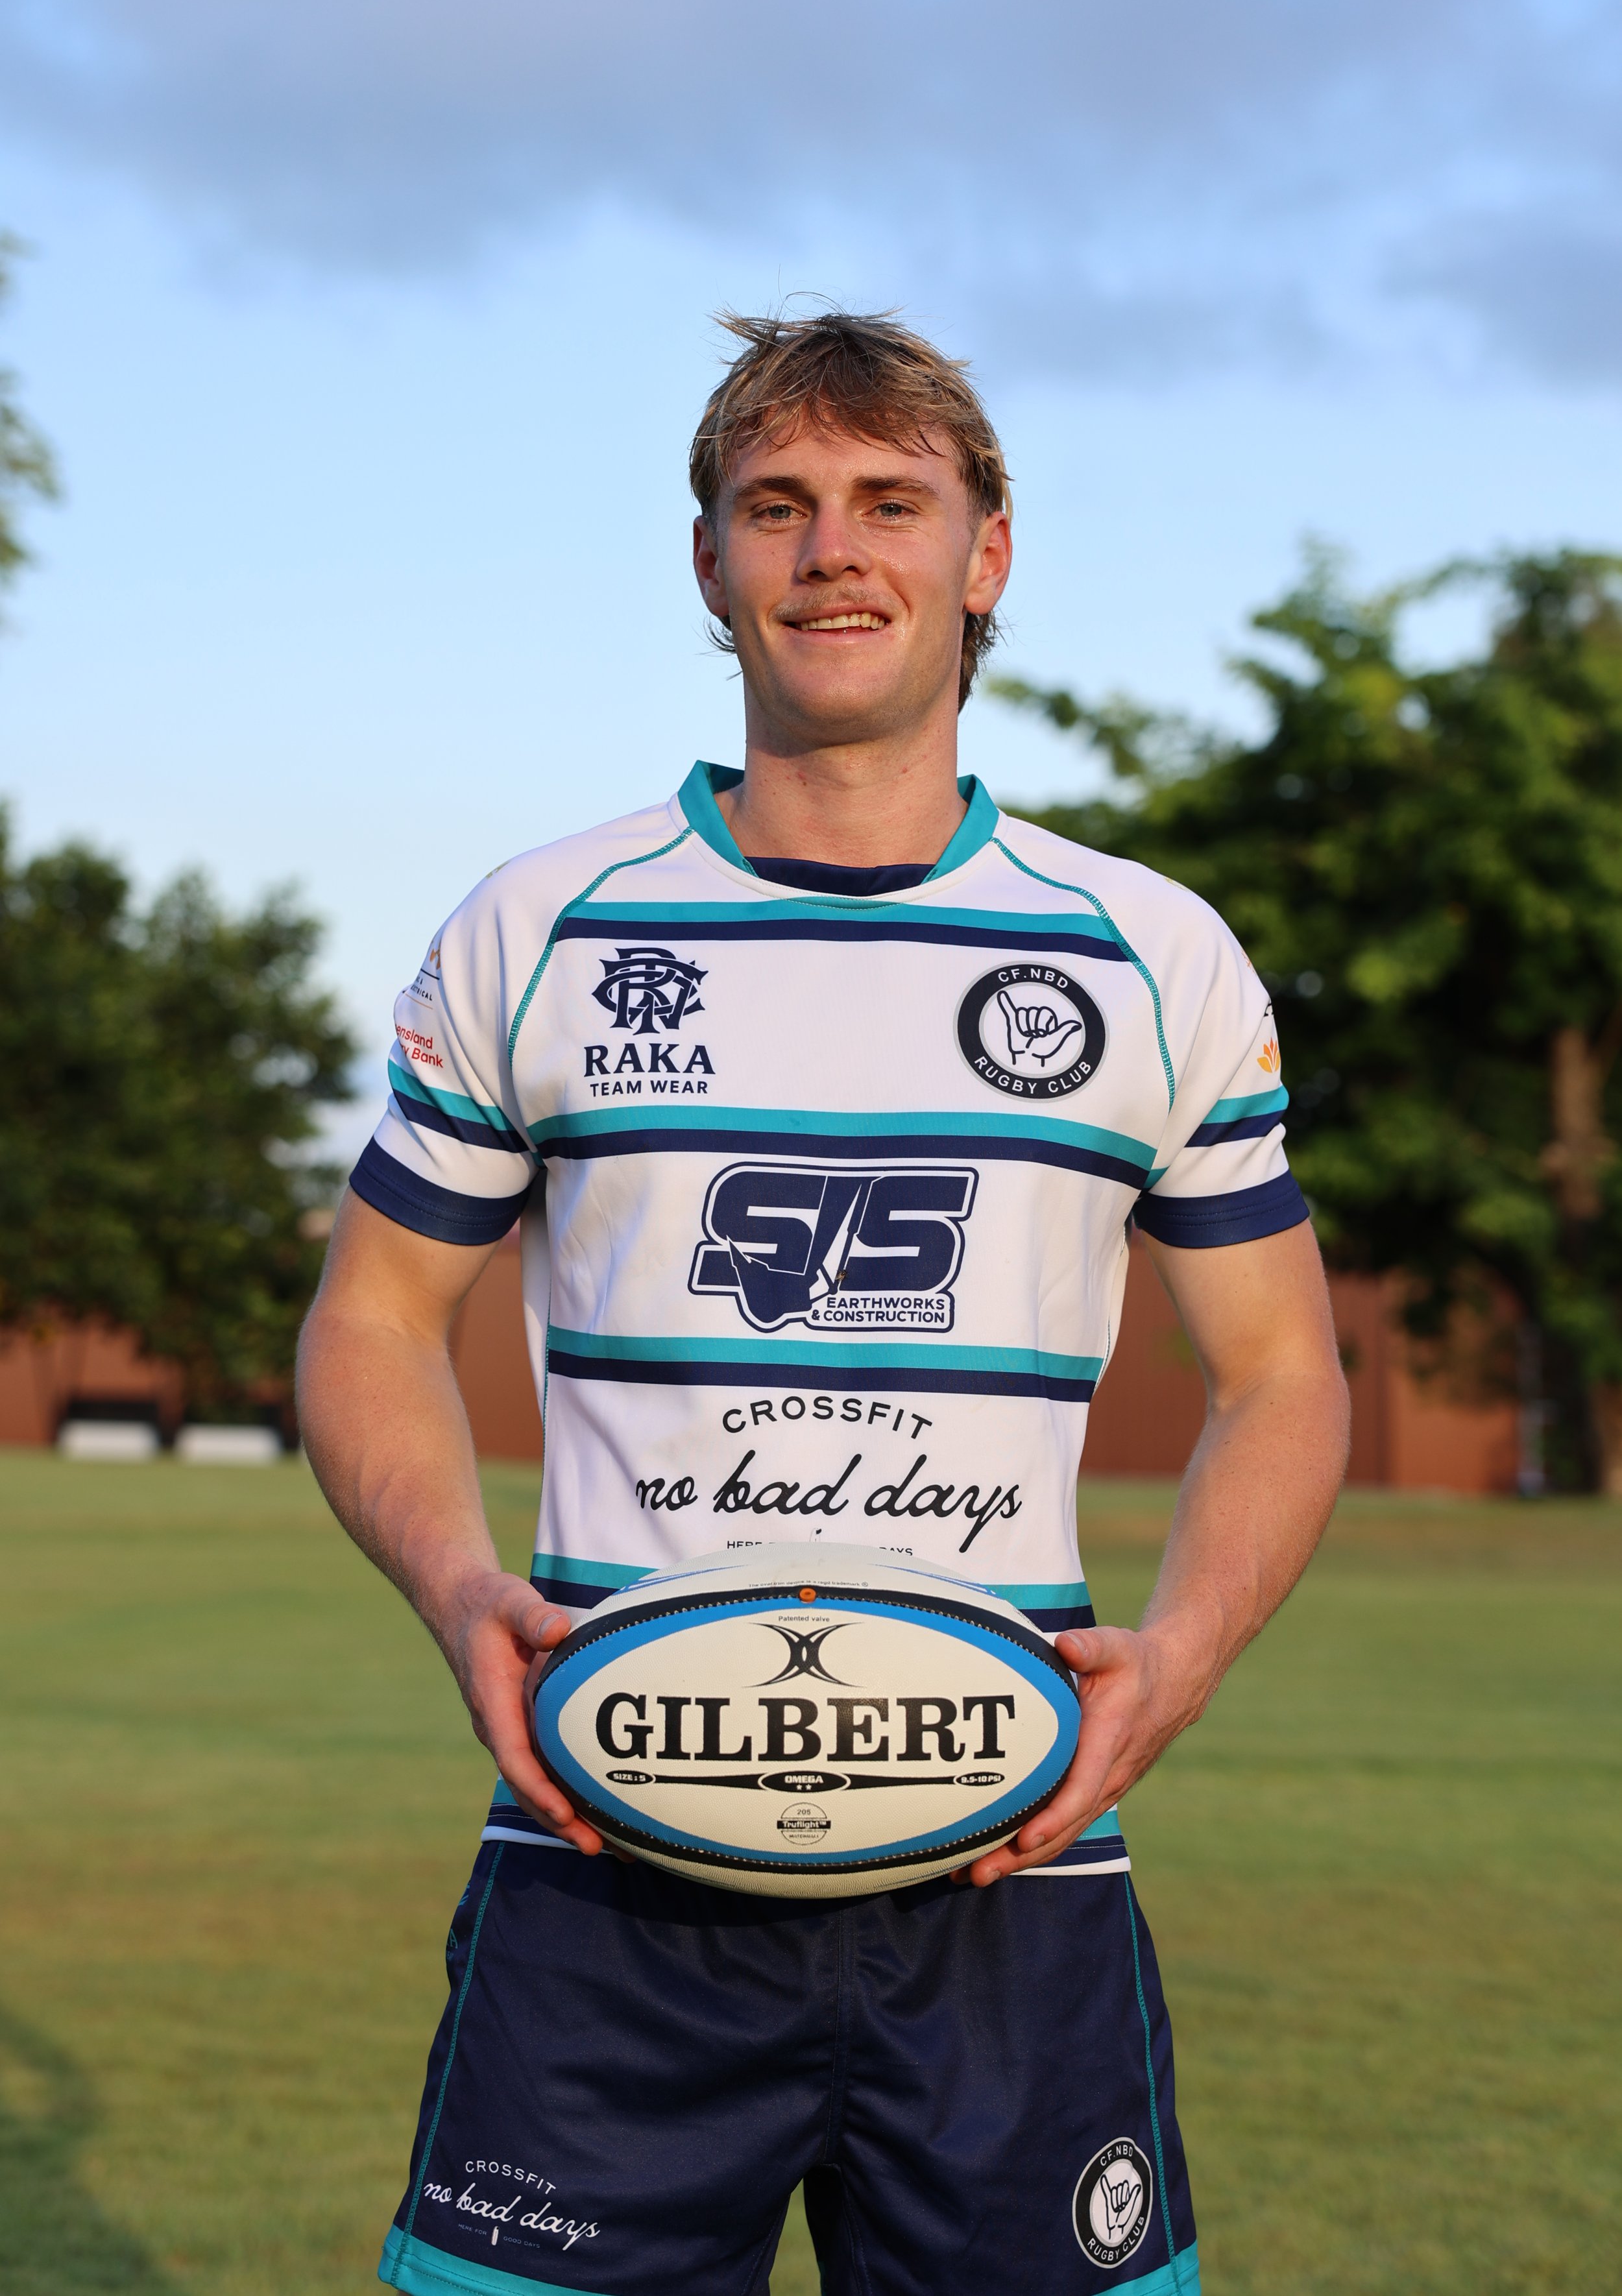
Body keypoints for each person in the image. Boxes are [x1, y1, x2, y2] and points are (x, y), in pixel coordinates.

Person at [297, 309, 1350, 2296]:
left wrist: (1180, 1658)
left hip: (1008, 1865)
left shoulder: (1147, 957)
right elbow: (370, 1319)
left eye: (888, 501)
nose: (831, 551)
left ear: (986, 552)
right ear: (707, 561)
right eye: (774, 506)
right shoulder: (544, 929)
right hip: (610, 1854)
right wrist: (455, 1588)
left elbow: (1283, 1371)